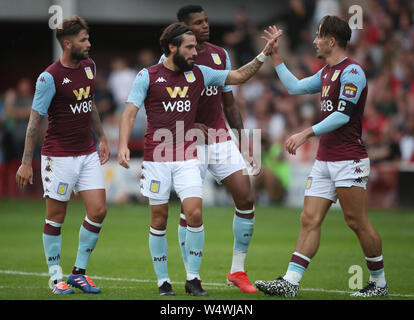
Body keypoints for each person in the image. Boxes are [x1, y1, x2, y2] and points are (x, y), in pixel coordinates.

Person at [118, 22, 281, 296]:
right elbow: (129, 113)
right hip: (157, 156)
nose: (196, 52)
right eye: (190, 47)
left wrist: (264, 54)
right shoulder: (147, 76)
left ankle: (193, 279)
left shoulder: (202, 73)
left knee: (194, 213)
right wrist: (122, 145)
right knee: (158, 220)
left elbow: (239, 76)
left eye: (196, 47)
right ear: (172, 47)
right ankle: (163, 282)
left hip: (187, 156)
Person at [255, 16, 388, 297]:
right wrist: (275, 57)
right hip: (325, 159)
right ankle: (290, 282)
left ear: (330, 40)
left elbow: (342, 115)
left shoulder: (352, 72)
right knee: (309, 219)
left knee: (356, 221)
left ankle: (379, 284)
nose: (314, 41)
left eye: (318, 36)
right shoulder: (326, 72)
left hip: (348, 159)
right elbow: (294, 87)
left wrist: (305, 133)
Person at [15, 15, 110, 295]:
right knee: (56, 217)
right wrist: (25, 162)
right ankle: (56, 277)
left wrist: (102, 136)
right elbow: (34, 121)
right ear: (68, 44)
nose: (89, 44)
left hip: (87, 151)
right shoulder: (49, 77)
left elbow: (89, 104)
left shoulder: (90, 67)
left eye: (88, 38)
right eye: (83, 40)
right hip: (58, 155)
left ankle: (78, 273)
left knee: (99, 211)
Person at [170, 4, 258, 293]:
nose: (205, 25)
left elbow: (229, 104)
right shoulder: (170, 61)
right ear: (184, 29)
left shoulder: (221, 55)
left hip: (219, 137)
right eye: (198, 22)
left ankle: (237, 271)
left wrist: (246, 142)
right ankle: (191, 275)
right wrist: (190, 127)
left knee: (246, 198)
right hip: (187, 142)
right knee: (190, 210)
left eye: (206, 21)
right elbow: (164, 109)